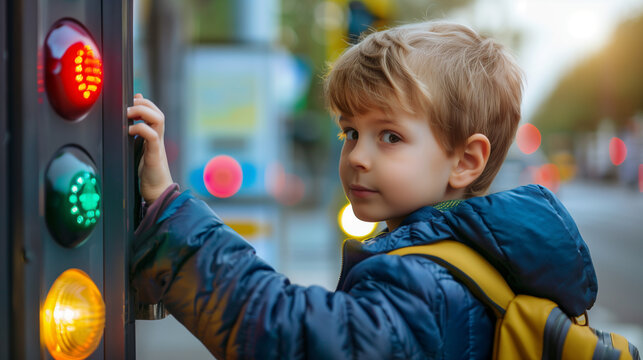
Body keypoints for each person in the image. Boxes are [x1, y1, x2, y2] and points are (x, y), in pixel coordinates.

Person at [128, 21, 597, 359]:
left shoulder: (428, 285)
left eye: (390, 136)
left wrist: (171, 211)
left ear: (465, 161)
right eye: (350, 132)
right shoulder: (477, 264)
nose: (357, 156)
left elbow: (292, 336)